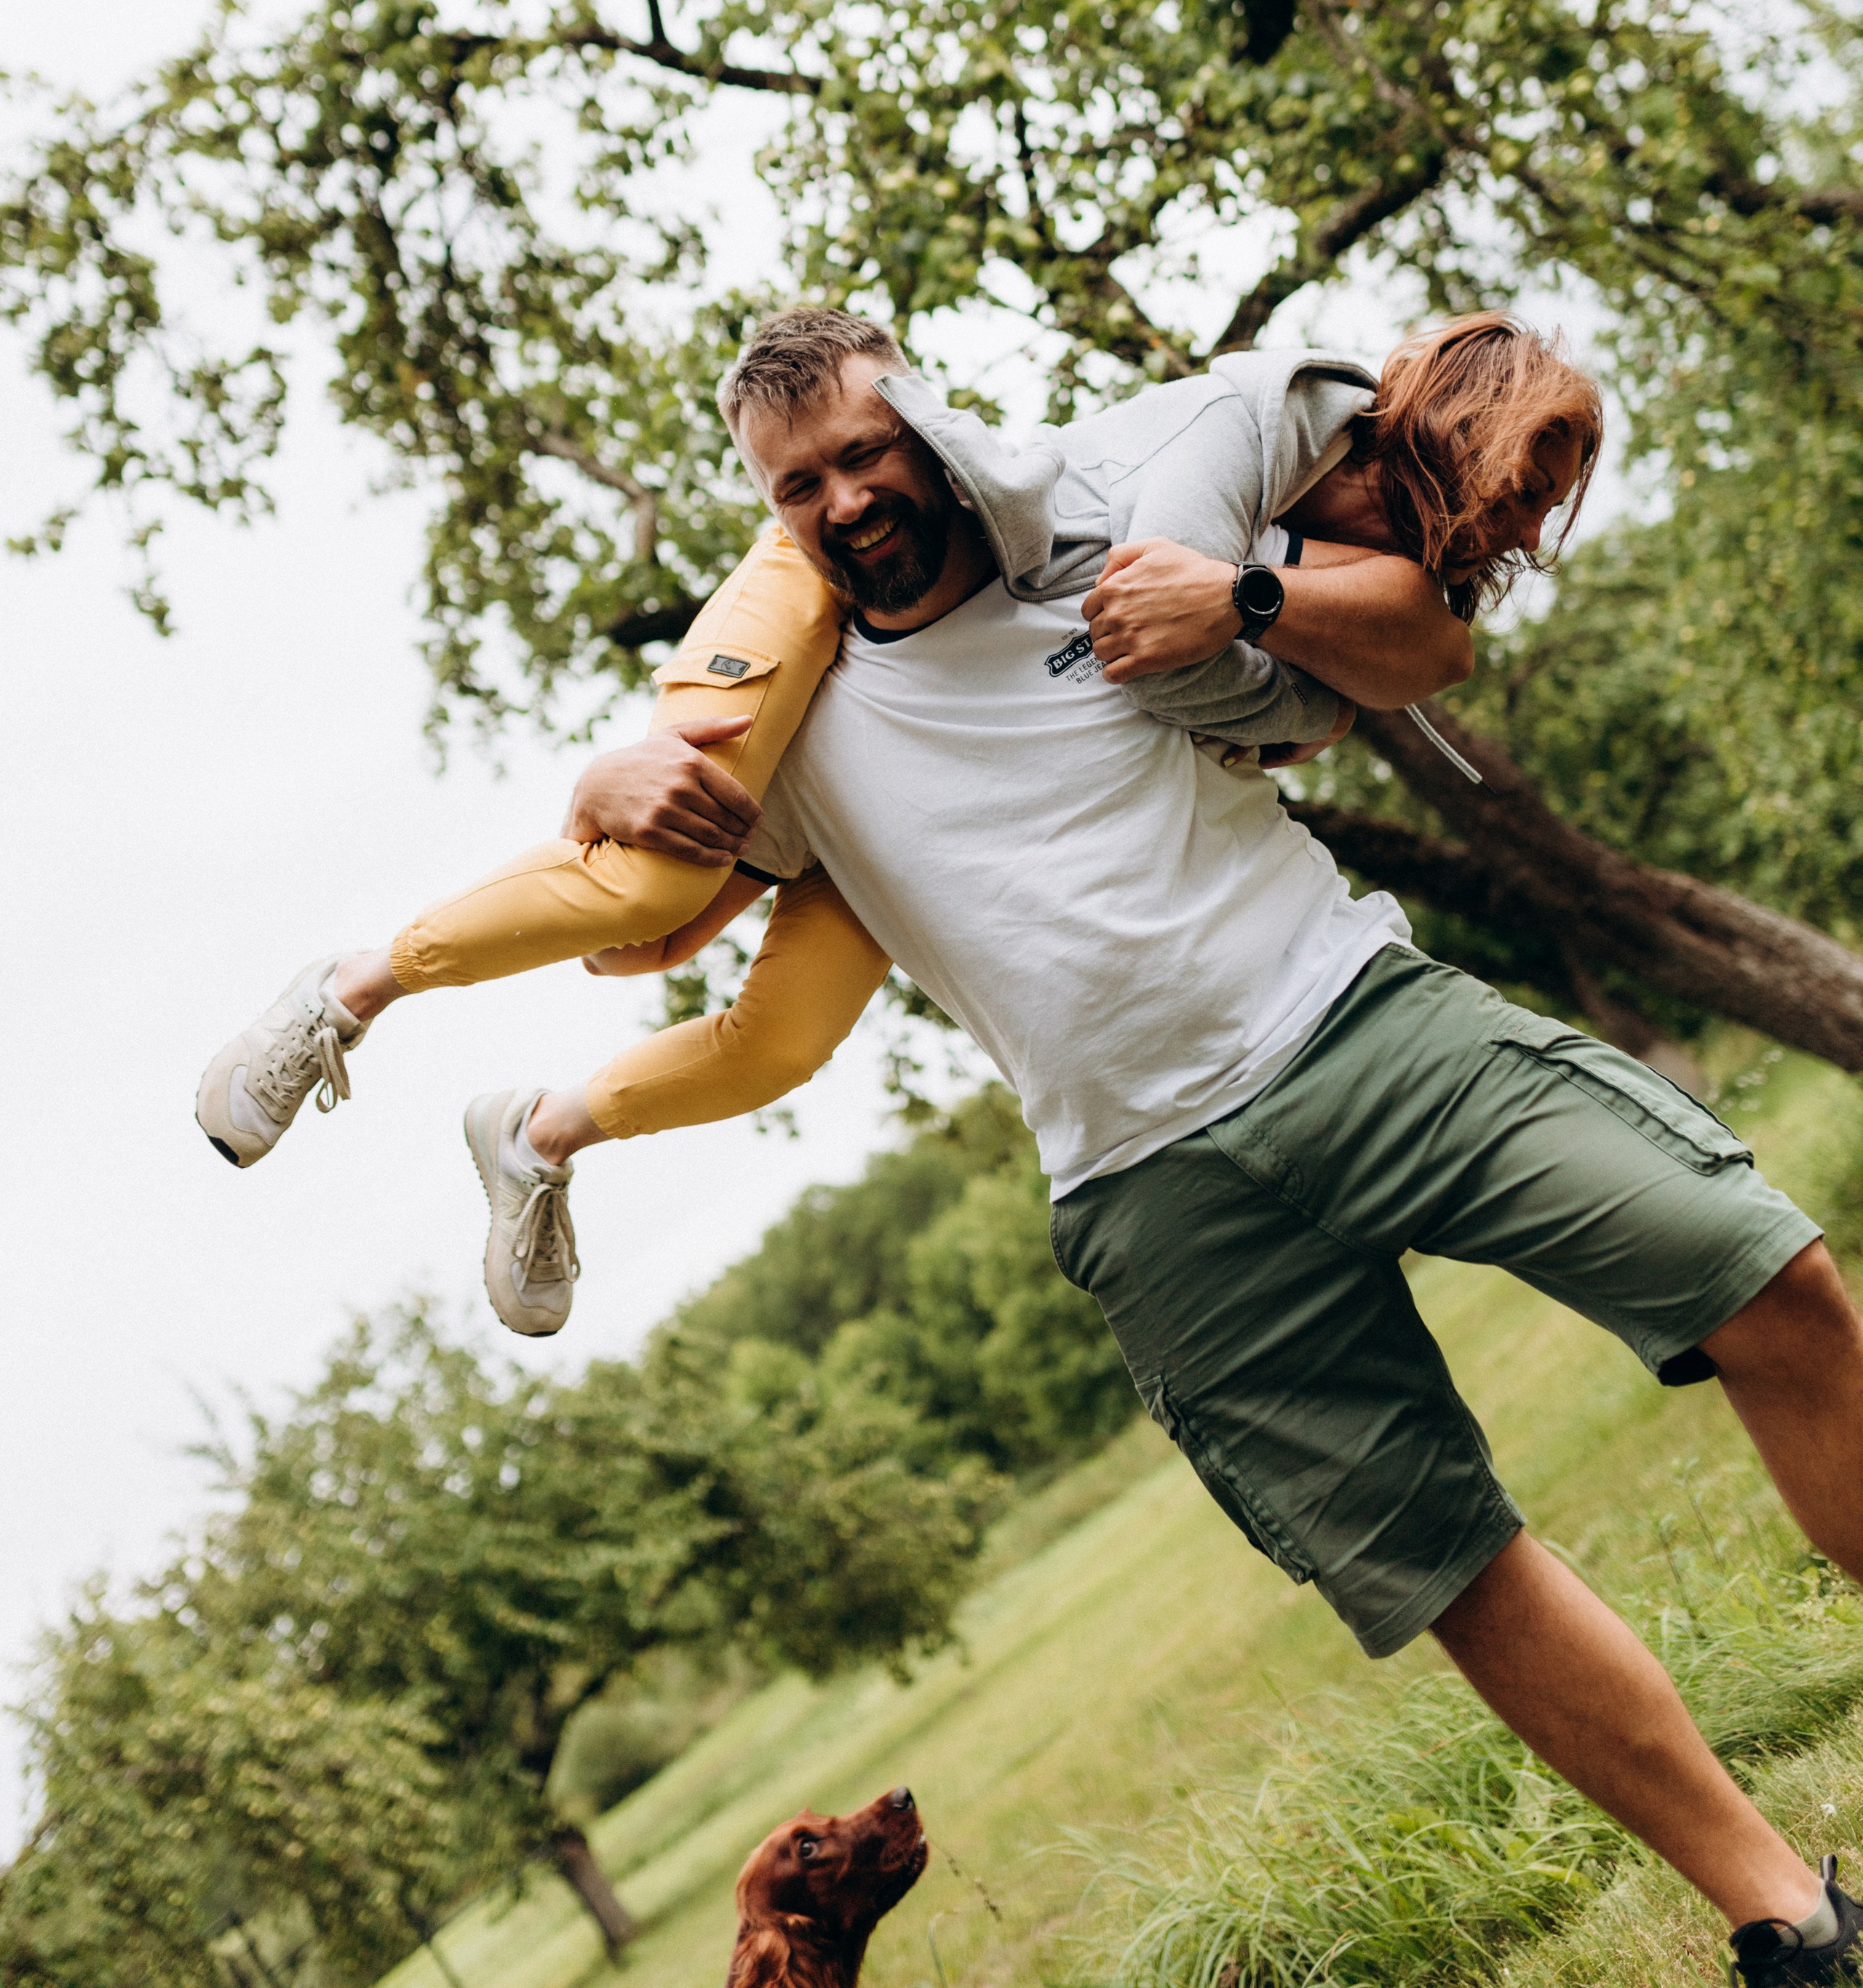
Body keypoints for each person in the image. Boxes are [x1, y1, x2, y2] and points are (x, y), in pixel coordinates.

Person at [472, 305, 1863, 1987]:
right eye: (795, 488)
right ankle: (1784, 1922)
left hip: (1356, 1030)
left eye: (861, 452)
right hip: (1150, 1196)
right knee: (1446, 1561)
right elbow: (640, 927)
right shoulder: (796, 720)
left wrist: (1244, 596)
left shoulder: (1101, 517)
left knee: (1765, 1278)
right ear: (769, 515)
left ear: (919, 416)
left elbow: (1422, 637)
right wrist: (603, 789)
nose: (842, 501)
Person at [196, 308, 1589, 1326]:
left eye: (1532, 512)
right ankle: (345, 991)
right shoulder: (1244, 438)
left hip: (932, 777)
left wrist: (1294, 698)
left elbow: (1366, 664)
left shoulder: (1354, 554)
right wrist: (615, 783)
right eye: (799, 474)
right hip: (823, 632)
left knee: (779, 1046)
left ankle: (537, 1136)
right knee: (643, 885)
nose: (1513, 525)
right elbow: (1177, 648)